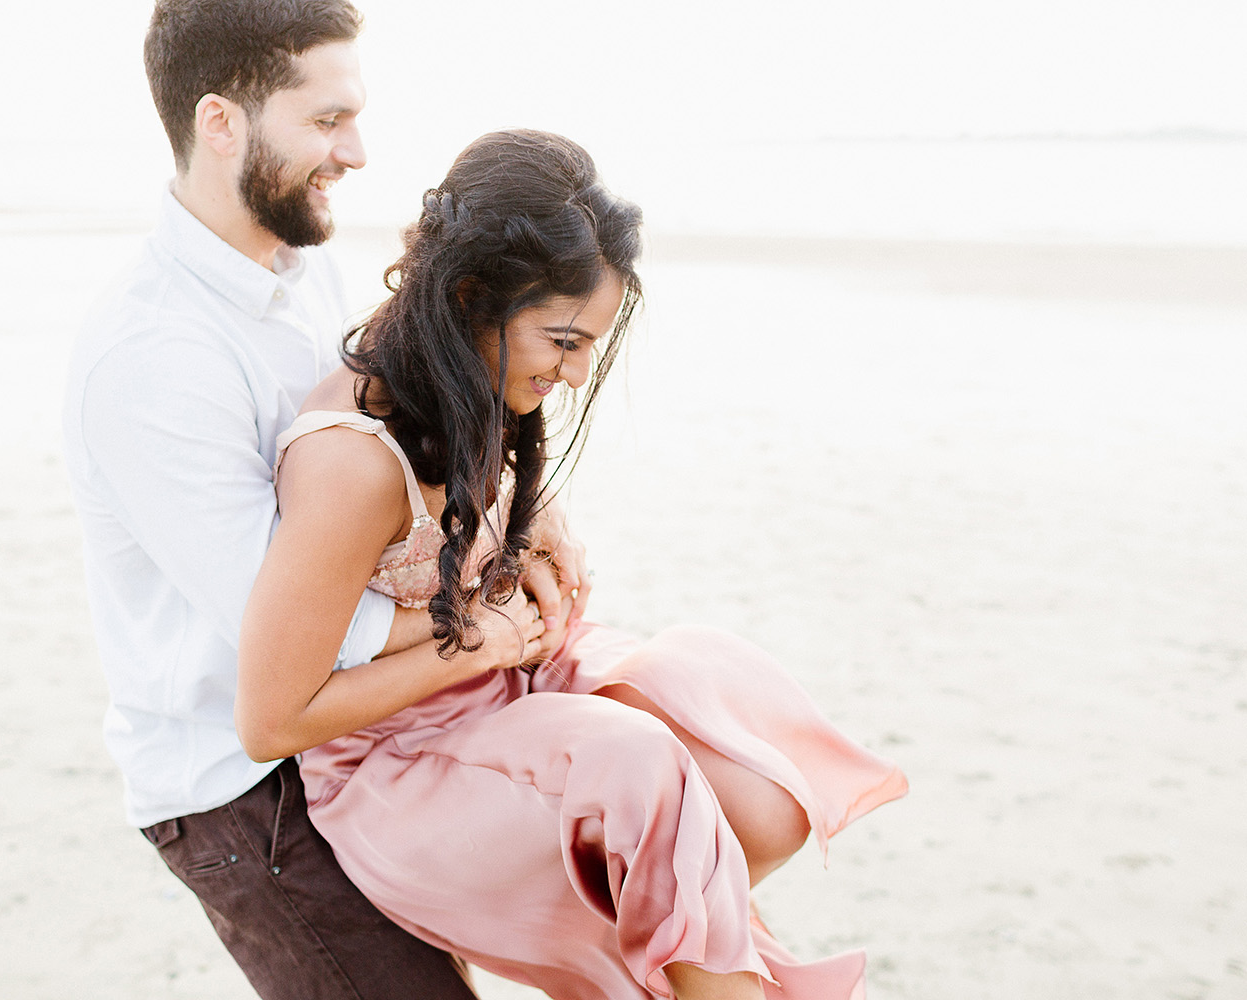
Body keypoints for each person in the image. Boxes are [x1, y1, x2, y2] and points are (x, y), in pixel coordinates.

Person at [236, 129, 910, 1000]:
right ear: (472, 297)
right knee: (636, 761)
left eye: (592, 343)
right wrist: (477, 643)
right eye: (563, 341)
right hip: (402, 768)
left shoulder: (464, 377)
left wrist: (529, 517)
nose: (580, 372)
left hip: (522, 687)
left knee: (723, 713)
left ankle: (664, 942)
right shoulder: (352, 464)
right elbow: (274, 721)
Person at [63, 2, 571, 996]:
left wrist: (531, 515)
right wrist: (494, 624)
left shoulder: (308, 271)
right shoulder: (151, 356)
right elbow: (296, 625)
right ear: (221, 123)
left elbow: (417, 436)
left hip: (364, 734)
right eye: (326, 121)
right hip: (242, 792)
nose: (359, 150)